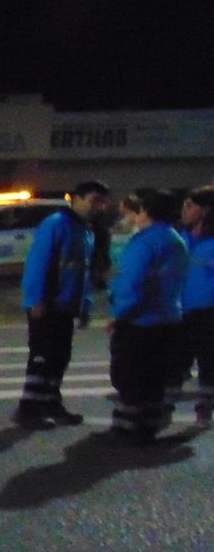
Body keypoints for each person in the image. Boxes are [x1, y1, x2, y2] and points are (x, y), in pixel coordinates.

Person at [12, 180, 110, 429]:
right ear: (75, 198)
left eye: (101, 201)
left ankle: (50, 404)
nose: (98, 206)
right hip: (48, 304)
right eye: (93, 200)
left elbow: (82, 272)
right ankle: (29, 409)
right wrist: (36, 300)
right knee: (42, 358)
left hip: (66, 306)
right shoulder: (56, 224)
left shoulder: (85, 230)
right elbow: (38, 263)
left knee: (59, 358)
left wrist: (84, 305)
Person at [103, 189, 187, 445]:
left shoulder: (145, 242)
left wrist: (119, 315)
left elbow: (132, 283)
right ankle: (147, 427)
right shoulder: (175, 240)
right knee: (154, 378)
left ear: (145, 212)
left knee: (129, 375)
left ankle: (127, 427)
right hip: (168, 318)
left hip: (140, 321)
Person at [165, 186, 214, 426]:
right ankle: (162, 408)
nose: (184, 210)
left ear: (205, 211)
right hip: (177, 310)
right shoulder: (179, 237)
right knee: (173, 360)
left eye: (190, 205)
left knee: (208, 361)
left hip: (208, 312)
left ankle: (204, 407)